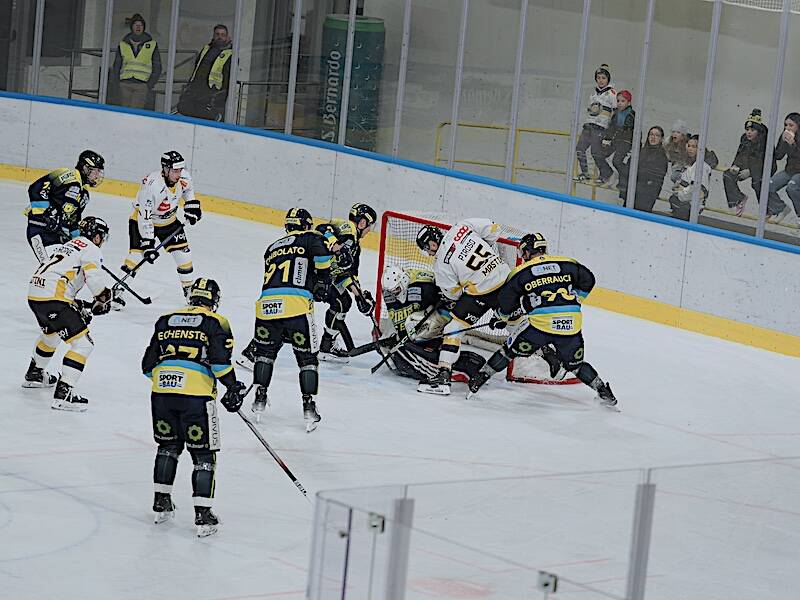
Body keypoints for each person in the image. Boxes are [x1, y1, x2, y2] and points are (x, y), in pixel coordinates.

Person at [142, 277, 247, 537]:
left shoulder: (165, 318)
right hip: (196, 395)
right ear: (214, 300)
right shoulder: (217, 322)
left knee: (168, 446)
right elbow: (220, 363)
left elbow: (147, 366)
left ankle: (161, 503)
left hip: (161, 392)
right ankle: (203, 516)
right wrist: (233, 387)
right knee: (203, 455)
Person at [466, 233, 617, 409]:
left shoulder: (520, 272)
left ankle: (479, 380)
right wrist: (577, 298)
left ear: (528, 251)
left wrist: (502, 317)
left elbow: (506, 303)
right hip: (570, 326)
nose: (523, 257)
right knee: (576, 365)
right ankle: (604, 392)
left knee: (508, 352)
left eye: (523, 253)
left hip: (539, 327)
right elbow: (588, 279)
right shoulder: (567, 262)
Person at [249, 208, 334, 432]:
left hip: (266, 307)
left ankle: (259, 399)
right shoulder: (310, 237)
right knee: (307, 359)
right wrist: (323, 281)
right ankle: (308, 407)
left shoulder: (272, 248)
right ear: (306, 224)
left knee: (265, 354)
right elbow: (324, 257)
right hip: (296, 306)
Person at [24, 216, 113, 411]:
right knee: (83, 345)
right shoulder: (92, 249)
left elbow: (62, 279)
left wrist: (79, 305)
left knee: (52, 334)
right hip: (53, 297)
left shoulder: (68, 245)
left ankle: (35, 374)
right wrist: (103, 297)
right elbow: (94, 279)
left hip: (35, 294)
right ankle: (63, 395)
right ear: (97, 237)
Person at [415, 218, 511, 396]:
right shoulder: (461, 226)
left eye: (427, 249)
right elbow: (494, 229)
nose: (429, 254)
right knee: (517, 325)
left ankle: (443, 377)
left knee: (453, 328)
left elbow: (453, 294)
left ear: (433, 243)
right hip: (506, 279)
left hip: (481, 292)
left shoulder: (441, 263)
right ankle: (547, 352)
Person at [118, 151, 202, 302]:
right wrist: (148, 243)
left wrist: (191, 207)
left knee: (184, 255)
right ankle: (118, 290)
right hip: (142, 221)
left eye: (180, 170)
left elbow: (188, 191)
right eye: (175, 171)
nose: (179, 174)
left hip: (168, 221)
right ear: (165, 169)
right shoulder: (152, 186)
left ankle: (189, 292)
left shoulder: (184, 177)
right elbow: (145, 217)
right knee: (137, 257)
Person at [377, 265, 486, 382]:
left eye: (397, 290)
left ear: (403, 280)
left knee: (413, 325)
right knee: (398, 337)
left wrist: (445, 300)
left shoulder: (424, 283)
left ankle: (438, 353)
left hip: (441, 317)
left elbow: (452, 297)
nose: (394, 294)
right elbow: (395, 315)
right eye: (391, 291)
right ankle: (426, 350)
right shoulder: (389, 291)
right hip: (418, 325)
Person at [315, 203, 378, 362]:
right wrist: (337, 247)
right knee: (341, 302)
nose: (370, 230)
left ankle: (327, 345)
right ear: (362, 223)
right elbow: (321, 229)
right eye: (369, 225)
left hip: (324, 276)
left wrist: (360, 296)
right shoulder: (347, 229)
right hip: (313, 274)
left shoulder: (355, 247)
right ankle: (327, 346)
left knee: (344, 302)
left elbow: (346, 274)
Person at [25, 150, 105, 263]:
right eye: (95, 171)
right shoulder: (68, 175)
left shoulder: (84, 195)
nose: (97, 175)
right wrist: (47, 213)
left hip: (57, 236)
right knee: (50, 268)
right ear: (85, 168)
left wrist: (79, 242)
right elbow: (36, 188)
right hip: (39, 229)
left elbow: (73, 221)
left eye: (98, 172)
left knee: (66, 268)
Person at [176, 25, 233, 121]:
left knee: (207, 115)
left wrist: (221, 94)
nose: (220, 37)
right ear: (213, 36)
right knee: (183, 107)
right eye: (217, 34)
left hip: (213, 91)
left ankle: (215, 117)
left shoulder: (229, 53)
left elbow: (228, 77)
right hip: (197, 87)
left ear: (227, 37)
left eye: (223, 35)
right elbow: (197, 66)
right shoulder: (206, 49)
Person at [723, 109, 772, 217]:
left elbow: (763, 162)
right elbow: (740, 154)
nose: (749, 132)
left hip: (764, 167)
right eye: (747, 129)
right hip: (748, 165)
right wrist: (735, 165)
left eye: (752, 130)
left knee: (757, 183)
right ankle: (738, 199)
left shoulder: (765, 141)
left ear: (758, 131)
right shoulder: (744, 138)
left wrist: (750, 172)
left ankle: (766, 209)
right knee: (727, 174)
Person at [109, 13, 162, 110]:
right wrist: (117, 83)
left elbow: (157, 66)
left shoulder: (151, 44)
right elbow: (116, 65)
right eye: (136, 25)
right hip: (125, 84)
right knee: (124, 112)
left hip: (141, 85)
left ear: (144, 27)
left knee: (134, 112)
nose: (138, 27)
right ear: (131, 27)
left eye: (141, 25)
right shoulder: (123, 44)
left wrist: (149, 84)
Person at [574, 64, 616, 185]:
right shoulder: (593, 94)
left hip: (600, 128)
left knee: (596, 152)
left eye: (603, 77)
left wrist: (610, 131)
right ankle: (585, 173)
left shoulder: (611, 94)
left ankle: (606, 173)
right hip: (589, 126)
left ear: (608, 79)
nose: (601, 80)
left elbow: (615, 111)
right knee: (580, 148)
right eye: (598, 78)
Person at [766, 112, 800, 224]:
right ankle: (781, 208)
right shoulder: (785, 134)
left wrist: (793, 144)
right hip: (789, 170)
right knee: (767, 185)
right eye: (786, 125)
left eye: (791, 125)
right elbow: (779, 156)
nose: (787, 128)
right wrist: (782, 142)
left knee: (791, 187)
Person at [602, 89, 636, 200]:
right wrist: (607, 138)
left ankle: (623, 178)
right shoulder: (616, 113)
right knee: (602, 154)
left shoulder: (632, 114)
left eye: (623, 101)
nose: (620, 103)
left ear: (629, 102)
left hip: (627, 141)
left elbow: (632, 130)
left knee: (617, 160)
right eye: (618, 101)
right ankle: (609, 174)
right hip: (617, 140)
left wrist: (636, 144)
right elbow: (611, 127)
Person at [668, 135, 712, 221]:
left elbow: (699, 192)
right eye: (689, 146)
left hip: (689, 209)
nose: (690, 149)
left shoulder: (701, 166)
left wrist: (680, 193)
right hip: (682, 206)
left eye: (694, 147)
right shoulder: (689, 163)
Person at [633, 126, 668, 212]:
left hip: (648, 193)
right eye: (651, 134)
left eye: (657, 135)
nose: (653, 137)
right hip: (633, 189)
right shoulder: (641, 151)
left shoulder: (661, 156)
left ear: (661, 139)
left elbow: (657, 177)